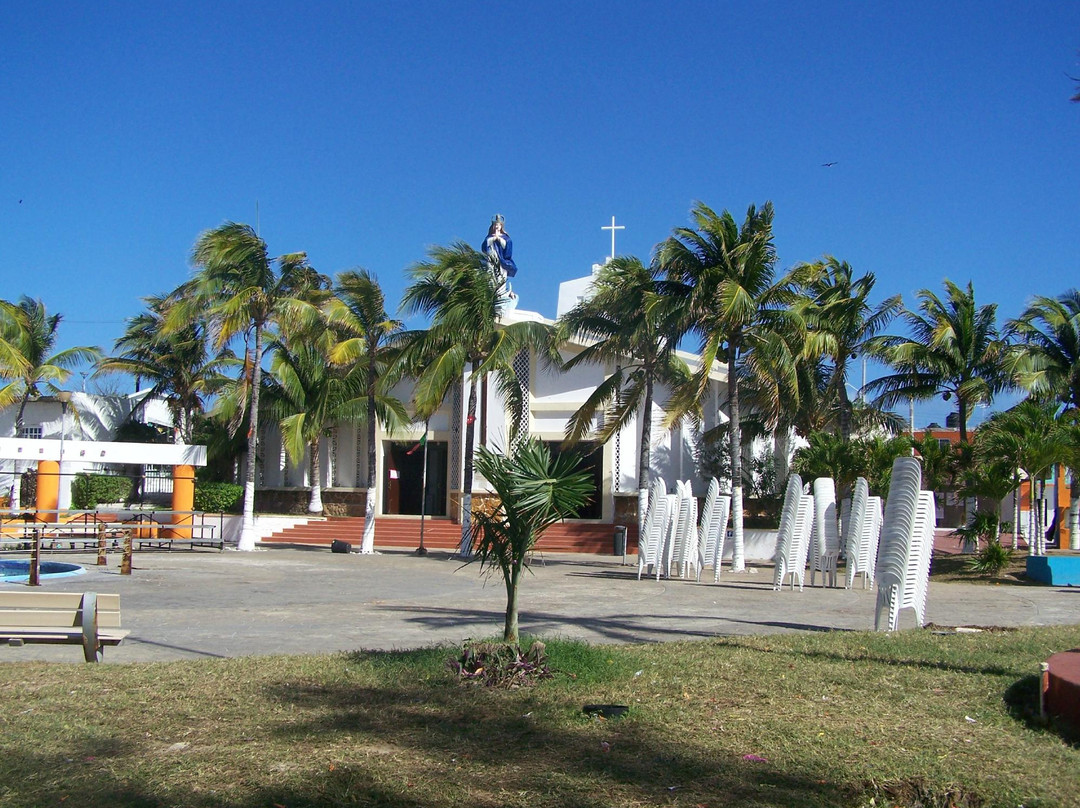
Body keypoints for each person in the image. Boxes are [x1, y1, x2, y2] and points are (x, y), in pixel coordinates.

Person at [482, 214, 519, 297]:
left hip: (501, 260)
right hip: (491, 258)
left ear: (501, 226)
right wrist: (493, 239)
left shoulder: (505, 237)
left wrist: (500, 239)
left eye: (498, 225)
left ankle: (501, 292)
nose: (496, 227)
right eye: (495, 225)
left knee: (501, 276)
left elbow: (508, 247)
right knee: (490, 274)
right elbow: (484, 247)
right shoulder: (489, 237)